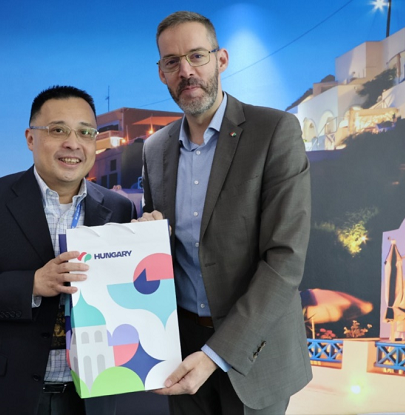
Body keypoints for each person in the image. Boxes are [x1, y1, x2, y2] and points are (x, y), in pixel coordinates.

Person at [139, 11, 312, 415]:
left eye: (197, 56)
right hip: (180, 353)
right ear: (162, 73)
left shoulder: (275, 131)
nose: (186, 71)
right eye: (172, 62)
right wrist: (146, 237)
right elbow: (162, 252)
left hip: (255, 354)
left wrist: (216, 354)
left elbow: (285, 261)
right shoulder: (154, 149)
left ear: (221, 59)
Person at [0, 85, 136, 415]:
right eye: (58, 130)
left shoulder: (119, 208)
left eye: (85, 132)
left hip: (88, 398)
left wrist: (149, 241)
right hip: (1, 394)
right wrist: (32, 284)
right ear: (31, 138)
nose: (73, 143)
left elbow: (129, 296)